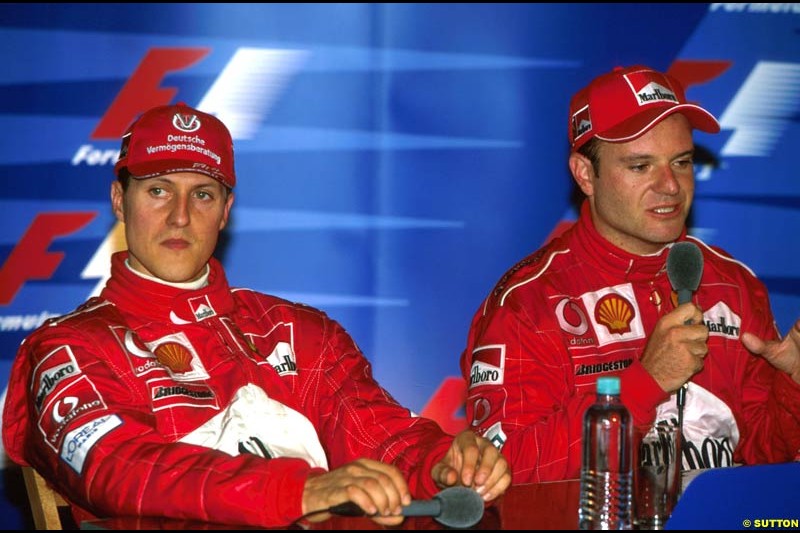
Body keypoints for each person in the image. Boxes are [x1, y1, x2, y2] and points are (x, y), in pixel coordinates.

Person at [2, 103, 510, 528]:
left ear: (225, 212)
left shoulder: (300, 333)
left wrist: (443, 463)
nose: (180, 215)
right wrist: (297, 490)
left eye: (202, 194)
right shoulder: (69, 348)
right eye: (158, 190)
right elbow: (119, 467)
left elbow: (385, 437)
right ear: (120, 200)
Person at [460, 65, 800, 483]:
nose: (671, 186)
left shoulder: (732, 284)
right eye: (641, 167)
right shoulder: (531, 303)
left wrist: (795, 388)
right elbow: (505, 474)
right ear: (586, 174)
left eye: (681, 162)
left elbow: (767, 459)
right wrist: (645, 383)